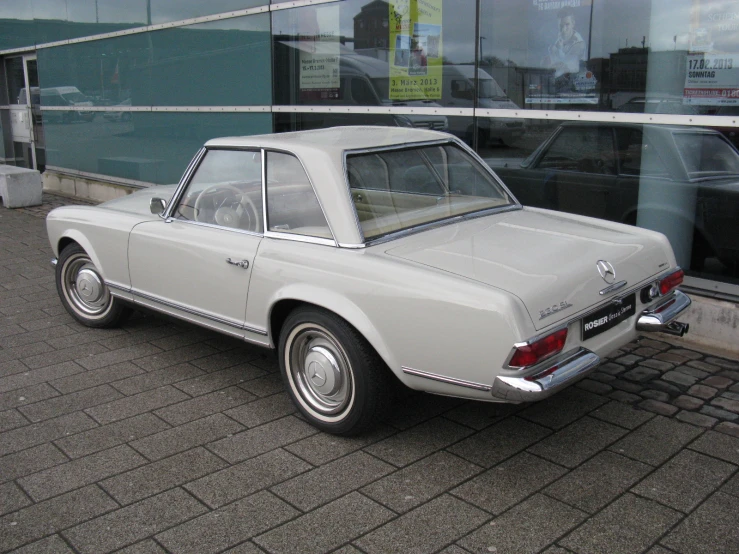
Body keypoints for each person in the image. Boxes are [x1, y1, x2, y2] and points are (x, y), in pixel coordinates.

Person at [544, 7, 586, 77]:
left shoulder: (579, 44)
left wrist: (557, 50)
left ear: (573, 23)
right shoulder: (557, 38)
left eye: (567, 24)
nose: (563, 29)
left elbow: (566, 67)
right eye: (561, 25)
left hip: (573, 81)